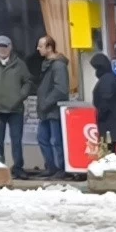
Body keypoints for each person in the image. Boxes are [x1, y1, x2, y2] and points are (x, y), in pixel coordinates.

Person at [0, 33, 31, 178]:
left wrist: (21, 95)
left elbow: (28, 81)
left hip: (16, 109)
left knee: (16, 140)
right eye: (0, 46)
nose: (3, 49)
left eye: (6, 46)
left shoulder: (19, 64)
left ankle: (18, 168)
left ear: (11, 47)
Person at [29, 39, 73, 179]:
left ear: (49, 47)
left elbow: (61, 89)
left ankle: (60, 168)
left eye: (41, 46)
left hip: (53, 110)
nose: (37, 48)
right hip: (46, 110)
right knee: (43, 138)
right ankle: (51, 166)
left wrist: (45, 103)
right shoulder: (47, 64)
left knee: (56, 140)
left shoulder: (58, 65)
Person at [88, 48, 116, 167]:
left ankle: (110, 172)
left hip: (108, 121)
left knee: (109, 151)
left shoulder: (107, 79)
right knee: (111, 150)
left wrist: (101, 113)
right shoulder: (110, 77)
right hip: (112, 120)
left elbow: (105, 100)